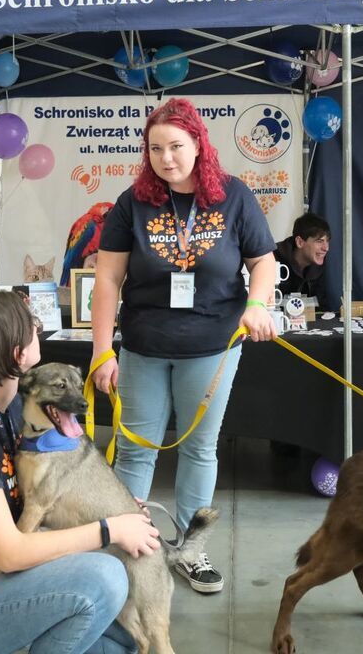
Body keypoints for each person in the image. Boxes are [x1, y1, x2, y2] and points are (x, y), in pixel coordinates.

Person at [89, 98, 278, 594]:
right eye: (156, 148)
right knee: (134, 453)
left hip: (214, 346)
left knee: (199, 449)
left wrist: (257, 305)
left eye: (176, 146)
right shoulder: (133, 202)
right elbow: (107, 278)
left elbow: (263, 262)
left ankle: (190, 550)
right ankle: (126, 553)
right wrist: (101, 350)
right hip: (144, 346)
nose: (166, 158)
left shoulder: (234, 197)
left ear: (198, 145)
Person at [0, 290, 159, 654]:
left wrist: (116, 509)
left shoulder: (15, 407)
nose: (38, 330)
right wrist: (111, 529)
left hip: (12, 578)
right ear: (18, 354)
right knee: (105, 578)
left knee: (125, 637)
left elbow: (53, 493)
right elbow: (9, 553)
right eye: (33, 328)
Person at [273, 212, 336, 314]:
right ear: (300, 242)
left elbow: (321, 309)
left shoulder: (318, 262)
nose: (326, 248)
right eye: (319, 241)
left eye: (327, 241)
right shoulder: (271, 260)